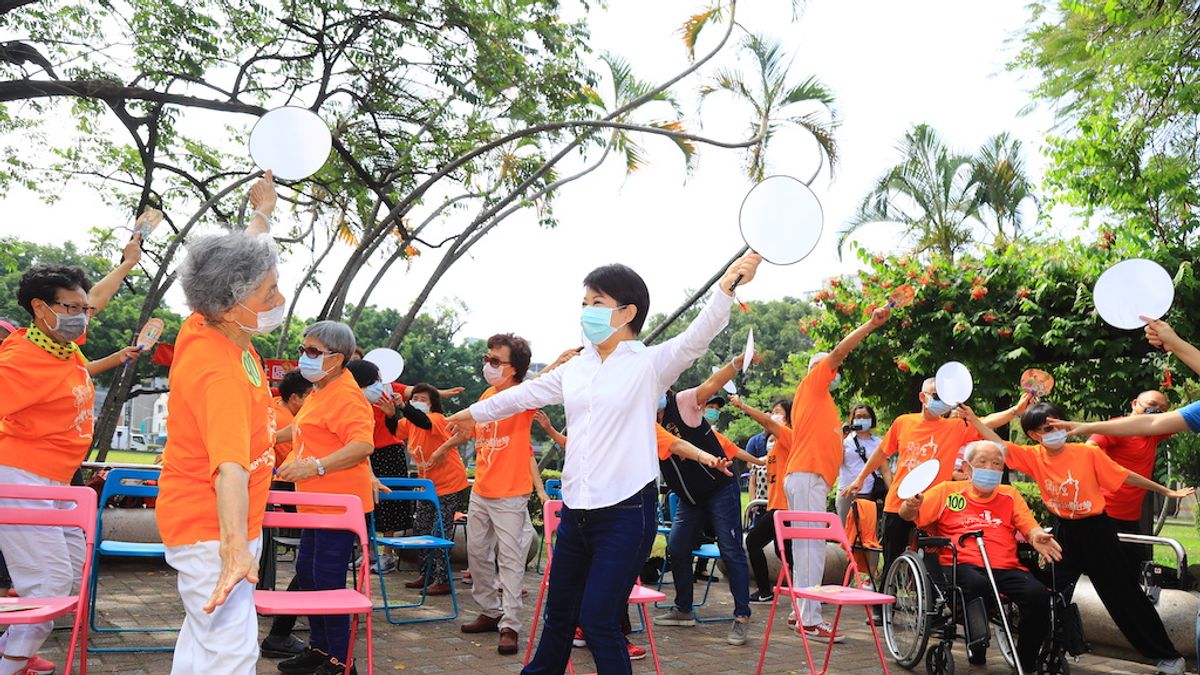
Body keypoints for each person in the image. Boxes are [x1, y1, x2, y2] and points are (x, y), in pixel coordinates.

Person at [447, 253, 762, 674]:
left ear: (627, 312)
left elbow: (694, 339)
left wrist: (726, 288)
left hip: (626, 513)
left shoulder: (649, 365)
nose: (586, 311)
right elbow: (521, 396)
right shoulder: (575, 369)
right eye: (584, 303)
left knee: (597, 620)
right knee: (559, 617)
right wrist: (466, 414)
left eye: (597, 302)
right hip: (578, 512)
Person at [154, 172, 280, 675]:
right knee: (231, 653)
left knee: (202, 645)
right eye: (270, 293)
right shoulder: (218, 370)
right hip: (213, 529)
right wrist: (233, 553)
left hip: (219, 525)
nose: (279, 300)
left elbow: (241, 263)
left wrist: (263, 215)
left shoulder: (205, 325)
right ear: (231, 305)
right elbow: (229, 468)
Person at [967, 402, 1192, 675]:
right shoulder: (1033, 456)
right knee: (1050, 595)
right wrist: (973, 419)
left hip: (1096, 532)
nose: (1052, 432)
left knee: (1124, 596)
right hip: (1063, 533)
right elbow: (997, 443)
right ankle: (1044, 652)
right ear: (1033, 435)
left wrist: (1165, 491)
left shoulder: (1087, 453)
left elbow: (1125, 476)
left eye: (1056, 425)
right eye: (1044, 429)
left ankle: (1168, 657)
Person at [0, 245, 143, 675]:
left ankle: (13, 649)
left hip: (58, 482)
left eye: (84, 308)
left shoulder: (62, 347)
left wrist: (128, 264)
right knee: (48, 584)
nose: (84, 315)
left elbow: (96, 298)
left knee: (70, 578)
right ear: (40, 308)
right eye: (73, 308)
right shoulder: (19, 360)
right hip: (22, 479)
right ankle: (11, 661)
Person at [842, 378, 1031, 603]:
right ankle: (884, 604)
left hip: (936, 504)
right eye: (937, 396)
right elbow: (882, 453)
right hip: (900, 502)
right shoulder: (903, 422)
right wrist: (861, 479)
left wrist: (1015, 411)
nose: (943, 402)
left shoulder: (954, 427)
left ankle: (936, 608)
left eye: (946, 398)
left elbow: (986, 422)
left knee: (935, 557)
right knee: (892, 555)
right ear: (923, 397)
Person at [899, 440, 1061, 670]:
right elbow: (908, 515)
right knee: (978, 585)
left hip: (1005, 566)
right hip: (962, 563)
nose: (990, 469)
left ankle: (1026, 660)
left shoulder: (1010, 495)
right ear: (966, 468)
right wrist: (911, 505)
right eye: (982, 462)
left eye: (996, 464)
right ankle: (977, 644)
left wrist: (1036, 536)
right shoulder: (947, 491)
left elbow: (1029, 526)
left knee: (1038, 595)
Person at [275, 321, 378, 675]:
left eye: (314, 352)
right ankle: (320, 649)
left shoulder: (347, 396)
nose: (305, 357)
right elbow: (302, 428)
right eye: (304, 350)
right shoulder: (320, 390)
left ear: (338, 358)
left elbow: (363, 445)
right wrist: (265, 438)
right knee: (308, 573)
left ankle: (341, 661)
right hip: (315, 505)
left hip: (337, 505)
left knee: (327, 580)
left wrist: (315, 467)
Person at [782, 307, 890, 642]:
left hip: (811, 479)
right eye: (832, 366)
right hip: (807, 477)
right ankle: (809, 619)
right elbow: (841, 350)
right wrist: (870, 324)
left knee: (808, 548)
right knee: (811, 548)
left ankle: (800, 612)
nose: (836, 370)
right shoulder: (813, 383)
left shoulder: (822, 400)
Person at [441, 333, 547, 656]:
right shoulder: (488, 394)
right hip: (482, 490)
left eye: (496, 361)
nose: (488, 364)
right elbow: (473, 429)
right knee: (476, 553)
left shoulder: (523, 396)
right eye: (487, 359)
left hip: (511, 494)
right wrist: (457, 431)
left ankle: (510, 625)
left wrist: (556, 363)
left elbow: (542, 380)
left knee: (511, 560)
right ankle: (490, 610)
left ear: (514, 368)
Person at [652, 354, 763, 645]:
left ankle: (741, 616)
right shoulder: (644, 422)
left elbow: (713, 383)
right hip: (689, 498)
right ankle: (684, 609)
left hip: (719, 489)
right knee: (676, 546)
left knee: (730, 550)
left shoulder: (685, 402)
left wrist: (735, 364)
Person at [1084, 389, 1175, 580]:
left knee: (1132, 572)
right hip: (1104, 513)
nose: (1157, 411)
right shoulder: (1117, 426)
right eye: (1152, 406)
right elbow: (1089, 449)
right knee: (1104, 574)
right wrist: (1113, 472)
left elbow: (1185, 420)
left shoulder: (1152, 432)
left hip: (1130, 517)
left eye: (1163, 409)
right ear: (1134, 404)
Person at [258, 369, 315, 659]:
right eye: (310, 395)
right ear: (295, 397)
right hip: (292, 487)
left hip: (284, 487)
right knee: (311, 561)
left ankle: (288, 627)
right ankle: (282, 630)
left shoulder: (274, 410)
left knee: (311, 561)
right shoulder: (292, 419)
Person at [395, 382, 470, 595]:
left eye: (423, 400)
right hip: (426, 485)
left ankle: (443, 579)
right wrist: (390, 411)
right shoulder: (410, 422)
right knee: (421, 528)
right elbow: (394, 429)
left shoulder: (436, 419)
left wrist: (404, 406)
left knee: (439, 532)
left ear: (433, 403)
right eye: (415, 398)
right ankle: (426, 574)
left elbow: (422, 420)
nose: (418, 403)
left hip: (448, 484)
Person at [346, 358, 419, 574]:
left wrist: (392, 412)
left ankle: (387, 555)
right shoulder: (351, 397)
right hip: (364, 451)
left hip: (389, 451)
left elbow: (415, 392)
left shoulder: (388, 390)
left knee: (390, 504)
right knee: (365, 504)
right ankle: (366, 552)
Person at [730, 396, 795, 605]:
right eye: (772, 410)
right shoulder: (776, 446)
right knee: (784, 551)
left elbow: (767, 423)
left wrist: (742, 405)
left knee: (753, 541)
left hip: (783, 508)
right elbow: (758, 461)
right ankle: (806, 591)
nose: (772, 415)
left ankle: (767, 591)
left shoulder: (789, 436)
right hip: (775, 506)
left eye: (778, 412)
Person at [836, 403, 891, 522]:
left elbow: (885, 470)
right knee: (845, 532)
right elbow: (836, 463)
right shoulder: (846, 441)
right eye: (858, 417)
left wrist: (891, 492)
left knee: (867, 532)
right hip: (846, 492)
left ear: (871, 420)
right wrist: (841, 438)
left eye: (865, 417)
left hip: (869, 492)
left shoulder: (878, 443)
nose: (861, 419)